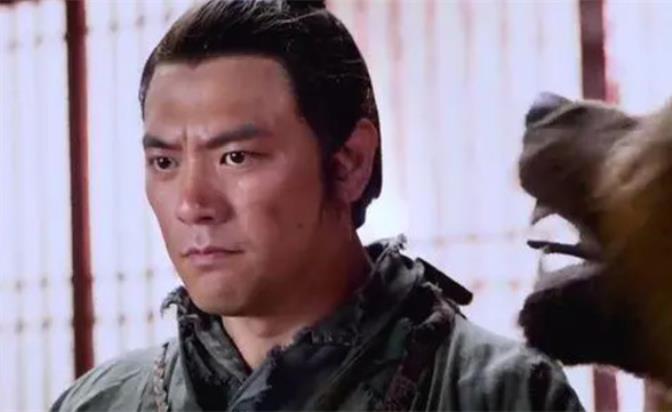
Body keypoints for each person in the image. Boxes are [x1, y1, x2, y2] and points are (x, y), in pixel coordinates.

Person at [52, 0, 583, 410]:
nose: (192, 204)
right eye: (165, 162)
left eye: (236, 157)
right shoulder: (101, 401)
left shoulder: (502, 394)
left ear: (349, 162)